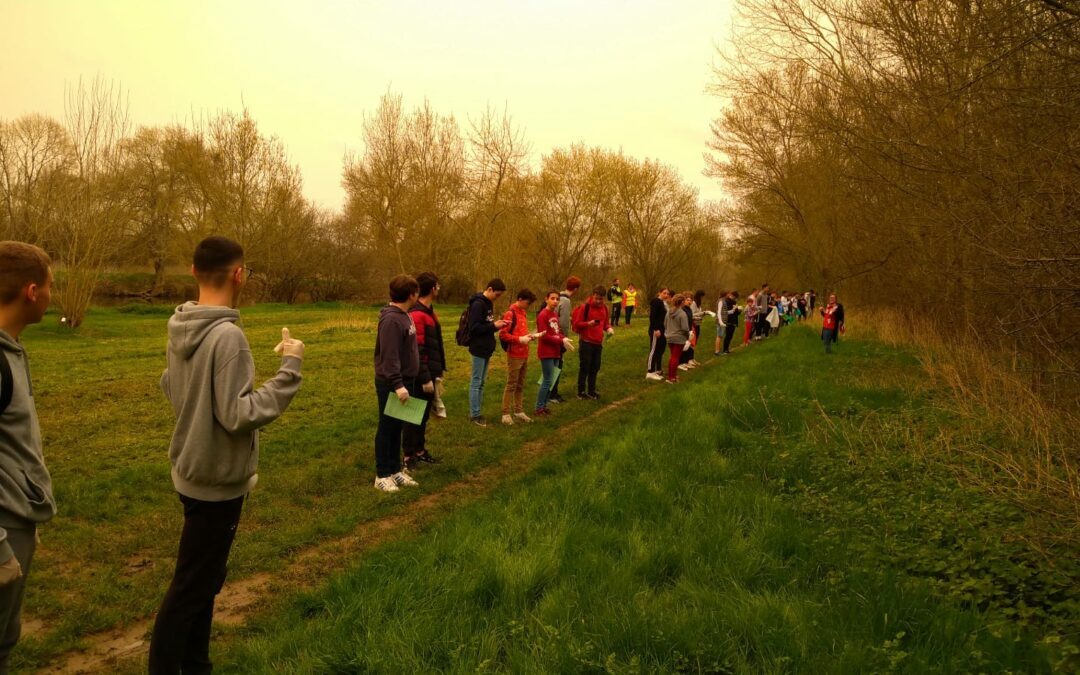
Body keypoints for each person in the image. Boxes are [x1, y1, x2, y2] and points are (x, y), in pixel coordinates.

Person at [151, 236, 304, 673]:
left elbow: (170, 384)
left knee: (202, 580)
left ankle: (197, 664)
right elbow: (239, 415)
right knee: (190, 588)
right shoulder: (229, 337)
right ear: (239, 275)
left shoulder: (179, 323)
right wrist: (290, 369)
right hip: (216, 482)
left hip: (189, 470)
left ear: (194, 272)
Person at [0, 242, 55, 672]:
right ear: (32, 292)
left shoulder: (11, 349)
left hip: (16, 520)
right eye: (52, 286)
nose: (54, 294)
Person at [373, 274, 426, 491]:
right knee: (387, 428)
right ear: (412, 294)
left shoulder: (406, 315)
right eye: (416, 292)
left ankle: (395, 470)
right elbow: (389, 356)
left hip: (407, 380)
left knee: (398, 428)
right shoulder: (391, 320)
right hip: (393, 383)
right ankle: (382, 474)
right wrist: (398, 384)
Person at [402, 272, 444, 470]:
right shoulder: (418, 315)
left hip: (430, 372)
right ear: (433, 288)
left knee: (423, 415)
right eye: (438, 285)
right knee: (413, 416)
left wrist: (438, 372)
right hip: (419, 376)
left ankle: (419, 451)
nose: (439, 288)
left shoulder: (429, 312)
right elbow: (417, 350)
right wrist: (425, 377)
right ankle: (409, 456)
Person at [465, 279, 509, 426]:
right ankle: (475, 415)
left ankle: (477, 411)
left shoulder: (489, 303)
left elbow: (487, 325)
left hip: (486, 348)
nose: (498, 298)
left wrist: (498, 326)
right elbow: (474, 328)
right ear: (489, 289)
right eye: (497, 295)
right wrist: (493, 325)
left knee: (482, 383)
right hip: (478, 348)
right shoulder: (478, 304)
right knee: (476, 382)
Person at [498, 288, 538, 425]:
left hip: (525, 353)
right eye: (527, 303)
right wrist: (519, 339)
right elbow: (503, 334)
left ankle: (519, 411)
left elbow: (521, 332)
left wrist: (530, 336)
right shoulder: (510, 314)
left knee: (520, 384)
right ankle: (505, 413)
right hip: (514, 354)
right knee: (511, 384)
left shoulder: (524, 313)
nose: (528, 306)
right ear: (520, 300)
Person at [535, 290, 574, 416]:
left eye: (557, 299)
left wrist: (563, 338)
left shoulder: (554, 315)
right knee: (547, 380)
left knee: (551, 380)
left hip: (556, 351)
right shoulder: (543, 315)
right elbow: (544, 336)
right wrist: (560, 339)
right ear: (546, 299)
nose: (555, 301)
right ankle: (539, 408)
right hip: (546, 352)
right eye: (552, 298)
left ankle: (544, 405)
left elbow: (556, 332)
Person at [572, 286, 613, 399]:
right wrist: (588, 324)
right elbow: (577, 324)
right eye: (596, 298)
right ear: (592, 295)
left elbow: (605, 323)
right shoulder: (585, 307)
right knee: (585, 367)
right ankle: (581, 392)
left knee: (595, 367)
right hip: (586, 341)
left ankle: (591, 390)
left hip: (598, 343)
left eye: (600, 299)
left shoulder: (604, 308)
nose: (598, 301)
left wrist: (609, 329)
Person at [547, 276, 579, 404]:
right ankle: (552, 393)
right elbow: (564, 323)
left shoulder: (557, 297)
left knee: (551, 365)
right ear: (576, 289)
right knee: (557, 365)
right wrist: (564, 340)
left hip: (551, 335)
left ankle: (547, 391)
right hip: (558, 338)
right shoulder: (565, 301)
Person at [646, 287, 671, 381]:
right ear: (659, 293)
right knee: (653, 350)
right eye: (664, 293)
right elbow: (652, 317)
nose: (666, 295)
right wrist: (655, 329)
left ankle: (657, 369)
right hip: (656, 330)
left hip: (663, 330)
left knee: (660, 350)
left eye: (667, 293)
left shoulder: (663, 303)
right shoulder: (656, 301)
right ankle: (650, 371)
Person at [664, 293, 690, 383]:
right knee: (675, 357)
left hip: (669, 337)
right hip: (679, 338)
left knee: (673, 357)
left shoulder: (669, 312)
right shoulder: (682, 313)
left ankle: (673, 375)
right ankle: (672, 378)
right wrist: (687, 336)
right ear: (682, 302)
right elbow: (685, 328)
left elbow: (665, 324)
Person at [715, 290, 740, 355]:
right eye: (728, 294)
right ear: (726, 294)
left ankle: (719, 351)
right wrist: (720, 322)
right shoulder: (721, 301)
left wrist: (734, 309)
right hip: (722, 321)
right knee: (719, 336)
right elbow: (719, 312)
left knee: (720, 336)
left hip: (724, 321)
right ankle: (717, 351)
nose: (729, 295)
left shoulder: (723, 301)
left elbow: (725, 312)